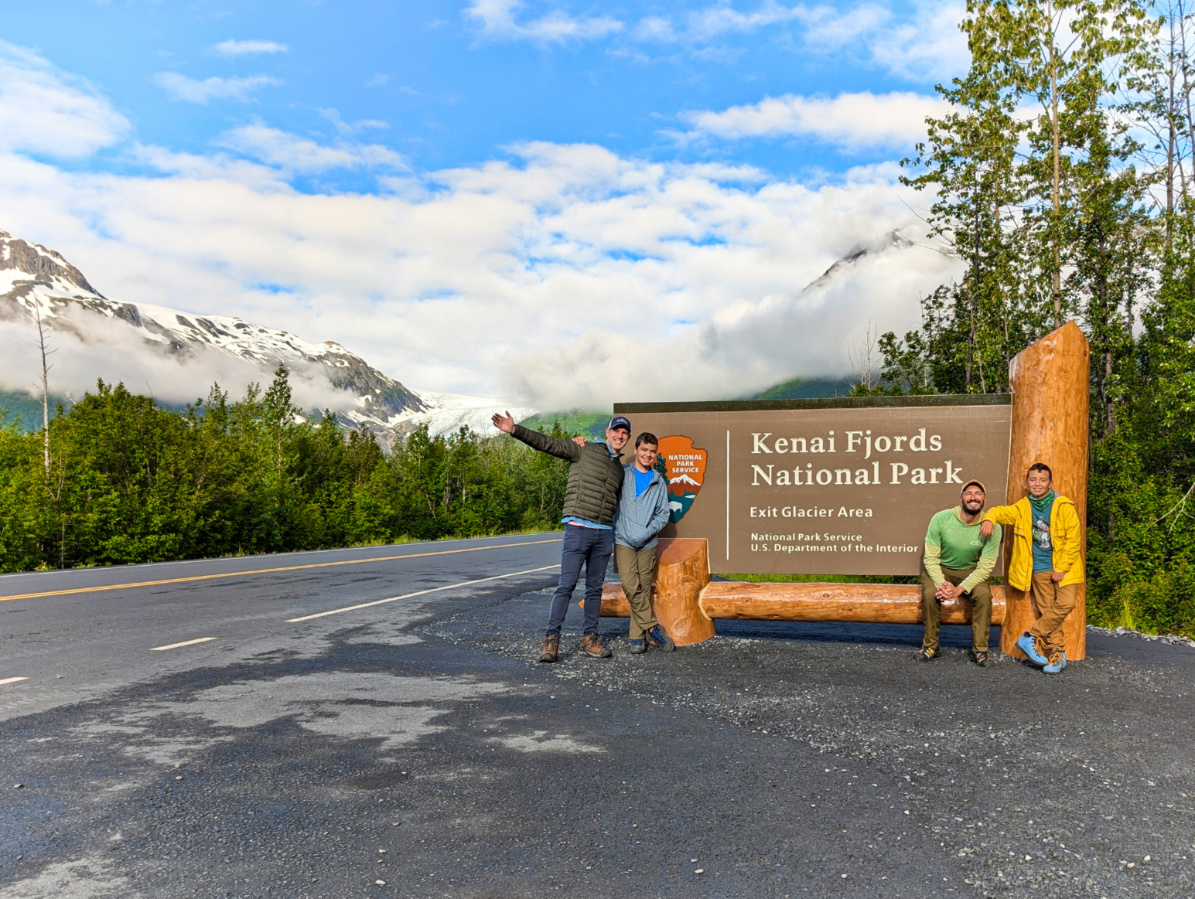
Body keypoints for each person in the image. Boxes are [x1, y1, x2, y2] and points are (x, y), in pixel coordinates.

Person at [491, 411, 629, 662]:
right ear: (607, 433)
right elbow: (548, 444)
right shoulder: (583, 449)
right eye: (616, 430)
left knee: (595, 589)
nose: (620, 435)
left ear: (626, 438)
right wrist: (515, 430)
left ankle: (590, 638)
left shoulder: (620, 468)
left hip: (603, 533)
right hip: (578, 529)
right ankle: (551, 640)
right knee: (566, 586)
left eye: (624, 433)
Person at [980, 463, 1084, 675]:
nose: (1037, 484)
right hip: (1038, 568)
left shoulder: (1064, 506)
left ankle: (1030, 638)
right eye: (1033, 480)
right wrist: (989, 518)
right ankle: (1057, 655)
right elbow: (1000, 511)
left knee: (1066, 603)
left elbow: (1074, 540)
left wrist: (1062, 568)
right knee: (1048, 611)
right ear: (1026, 483)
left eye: (1042, 480)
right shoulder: (1022, 508)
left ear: (1050, 483)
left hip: (1066, 568)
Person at [917, 480, 1002, 666]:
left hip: (971, 571)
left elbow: (986, 567)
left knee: (983, 594)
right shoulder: (941, 519)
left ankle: (980, 650)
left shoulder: (993, 527)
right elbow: (930, 559)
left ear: (984, 498)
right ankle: (931, 645)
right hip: (940, 568)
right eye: (969, 493)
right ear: (961, 498)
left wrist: (960, 589)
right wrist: (942, 584)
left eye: (978, 493)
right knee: (930, 594)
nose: (973, 497)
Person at [613, 432, 675, 654]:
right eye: (644, 450)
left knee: (642, 588)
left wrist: (647, 532)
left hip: (647, 543)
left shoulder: (658, 481)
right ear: (636, 450)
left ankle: (637, 638)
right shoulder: (623, 474)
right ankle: (653, 627)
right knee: (631, 586)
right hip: (624, 540)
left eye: (652, 451)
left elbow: (662, 514)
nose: (648, 454)